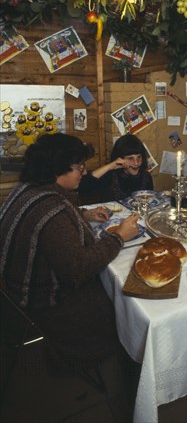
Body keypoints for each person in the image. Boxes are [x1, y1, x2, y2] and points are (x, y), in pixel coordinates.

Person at [0, 133, 139, 367]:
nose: (84, 172)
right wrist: (119, 237)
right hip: (41, 305)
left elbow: (51, 228)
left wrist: (82, 215)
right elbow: (79, 268)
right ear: (56, 170)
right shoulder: (52, 210)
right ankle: (126, 360)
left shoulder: (27, 189)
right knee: (123, 300)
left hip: (12, 295)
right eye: (79, 167)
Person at [78, 134, 153, 203]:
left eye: (139, 157)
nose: (136, 163)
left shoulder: (146, 177)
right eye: (130, 158)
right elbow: (83, 186)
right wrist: (110, 166)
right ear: (120, 158)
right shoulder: (110, 176)